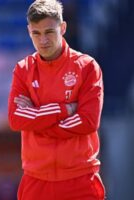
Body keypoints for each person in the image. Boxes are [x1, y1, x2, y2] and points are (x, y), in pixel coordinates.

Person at [8, 0, 105, 199]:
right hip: (36, 181)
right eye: (36, 33)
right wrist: (65, 110)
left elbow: (88, 121)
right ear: (29, 31)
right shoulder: (23, 69)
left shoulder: (87, 67)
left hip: (80, 180)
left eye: (49, 32)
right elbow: (16, 119)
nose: (43, 40)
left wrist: (37, 120)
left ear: (63, 28)